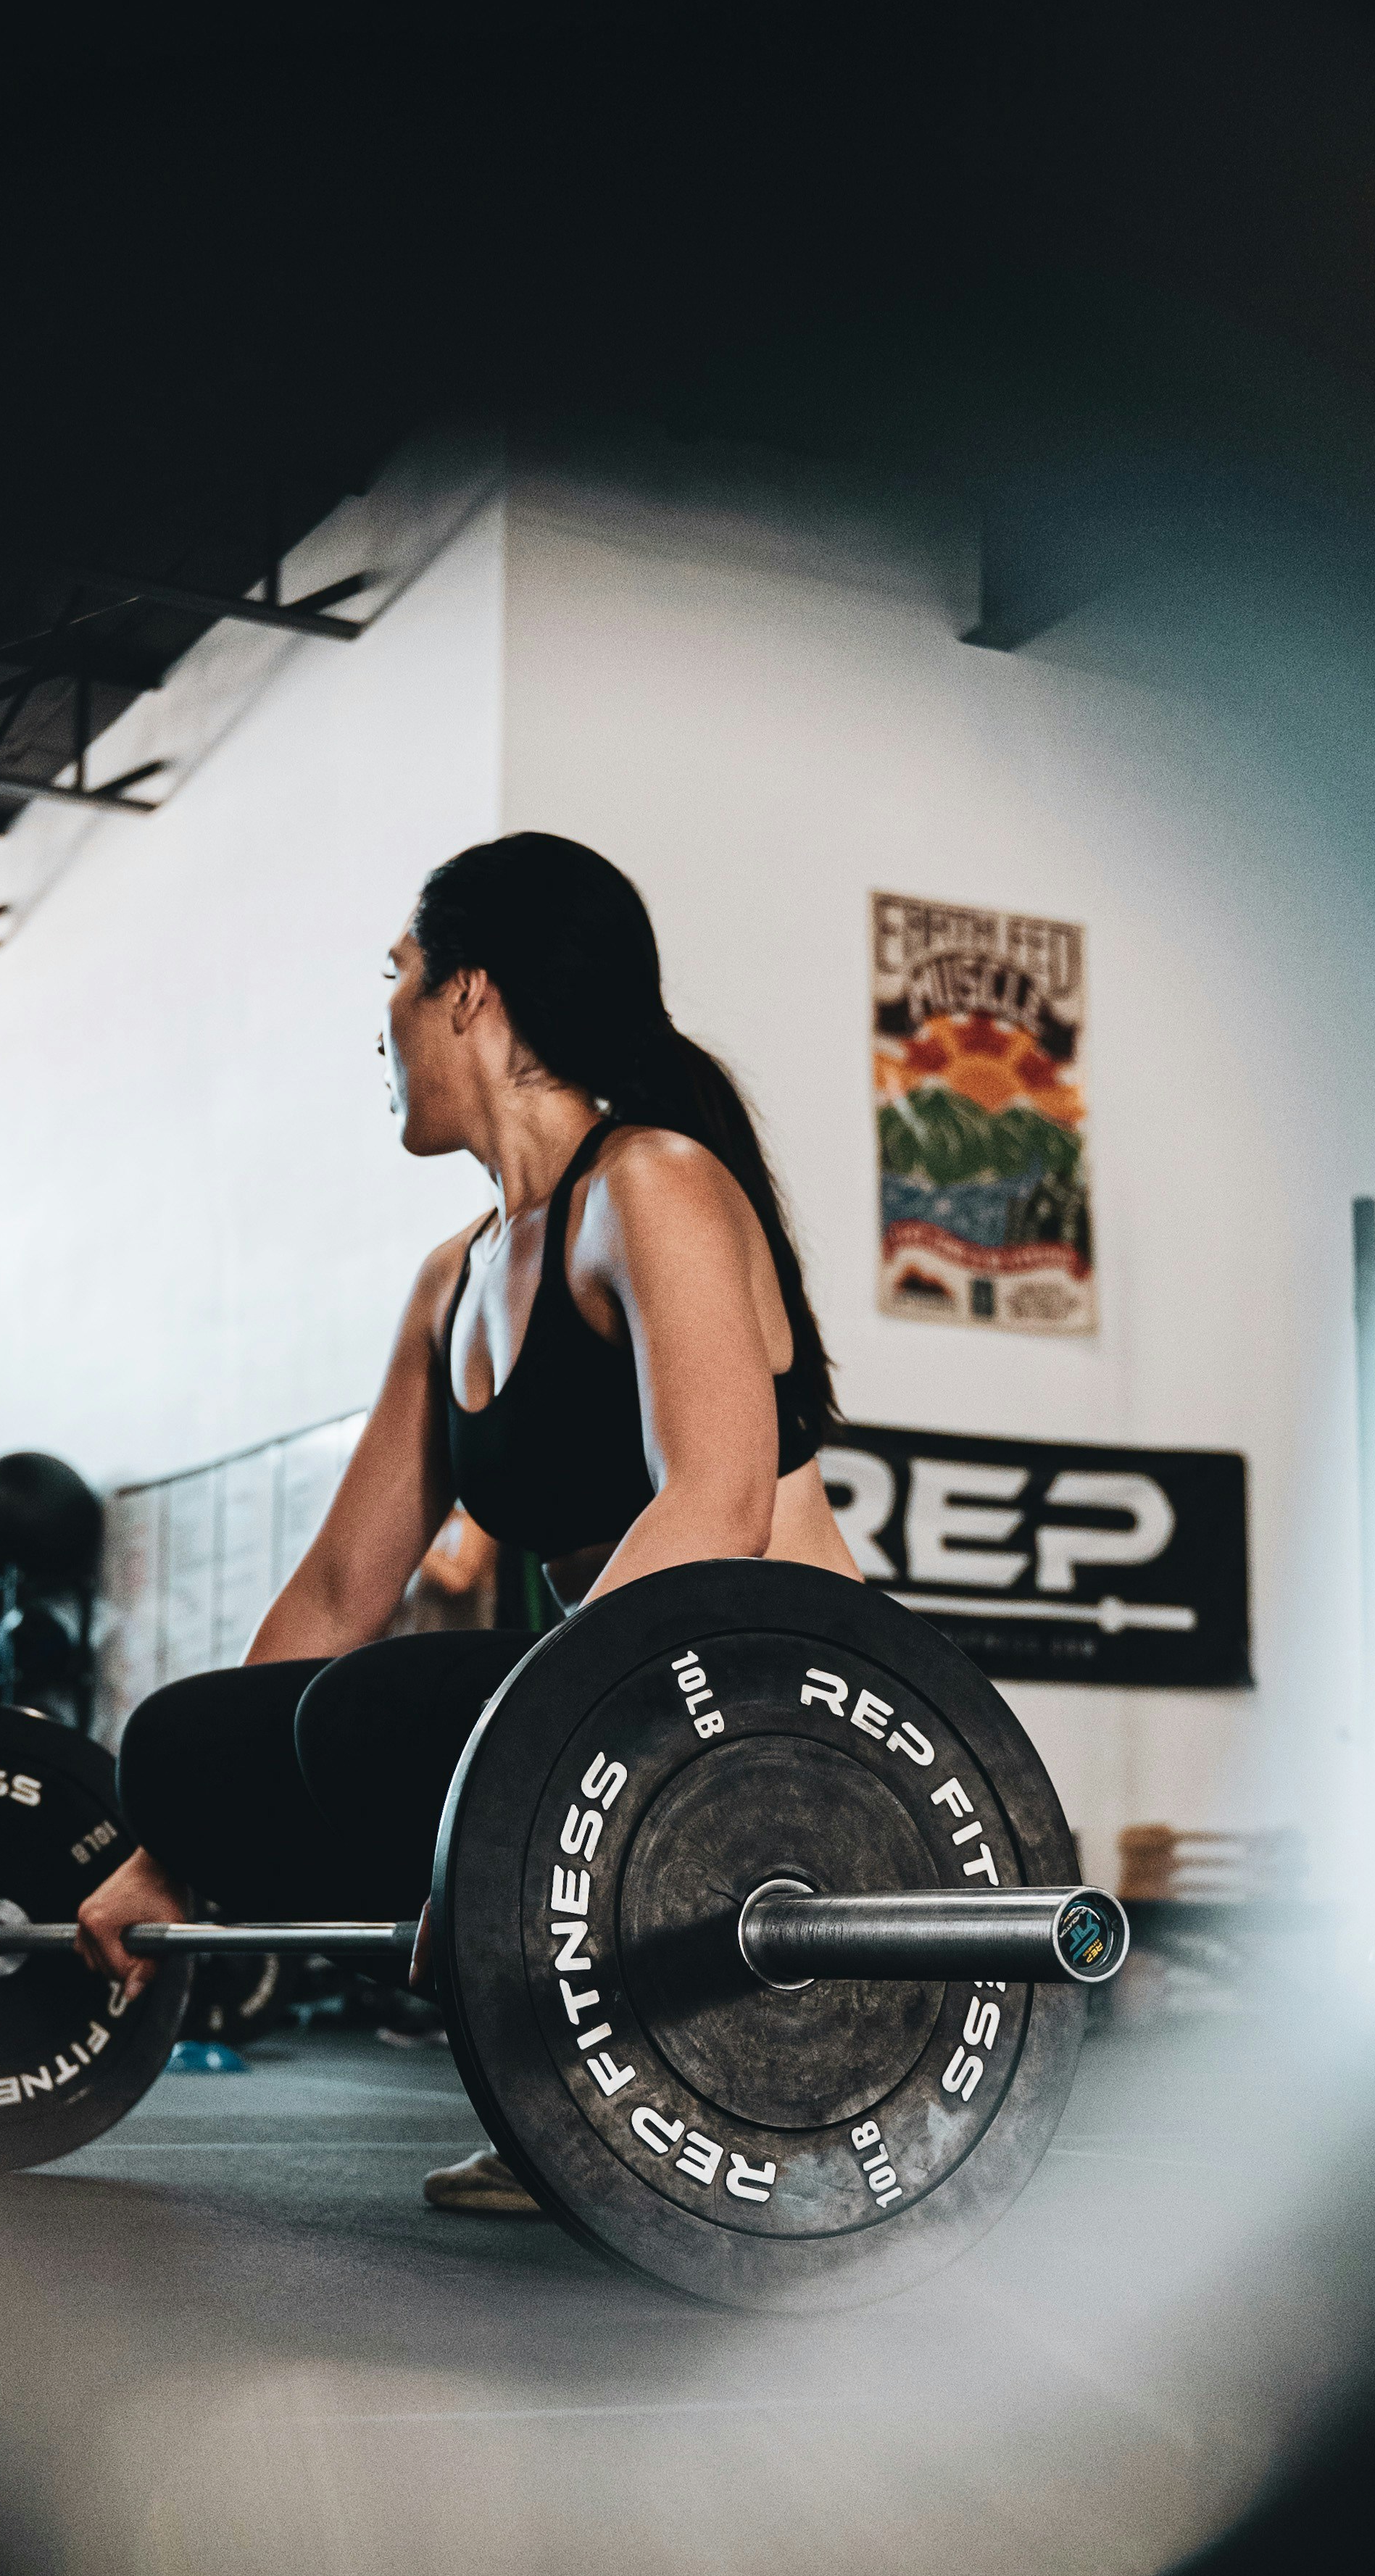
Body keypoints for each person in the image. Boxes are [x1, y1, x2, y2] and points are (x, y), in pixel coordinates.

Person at [78, 832, 860, 2214]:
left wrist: (510, 1804)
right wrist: (178, 1849)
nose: (377, 1022)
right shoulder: (455, 1279)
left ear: (468, 993)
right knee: (180, 1741)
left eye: (396, 975)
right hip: (617, 1711)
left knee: (373, 1720)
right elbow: (336, 1590)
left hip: (785, 1717)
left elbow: (718, 1502)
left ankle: (611, 2069)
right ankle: (570, 2059)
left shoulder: (656, 1182)